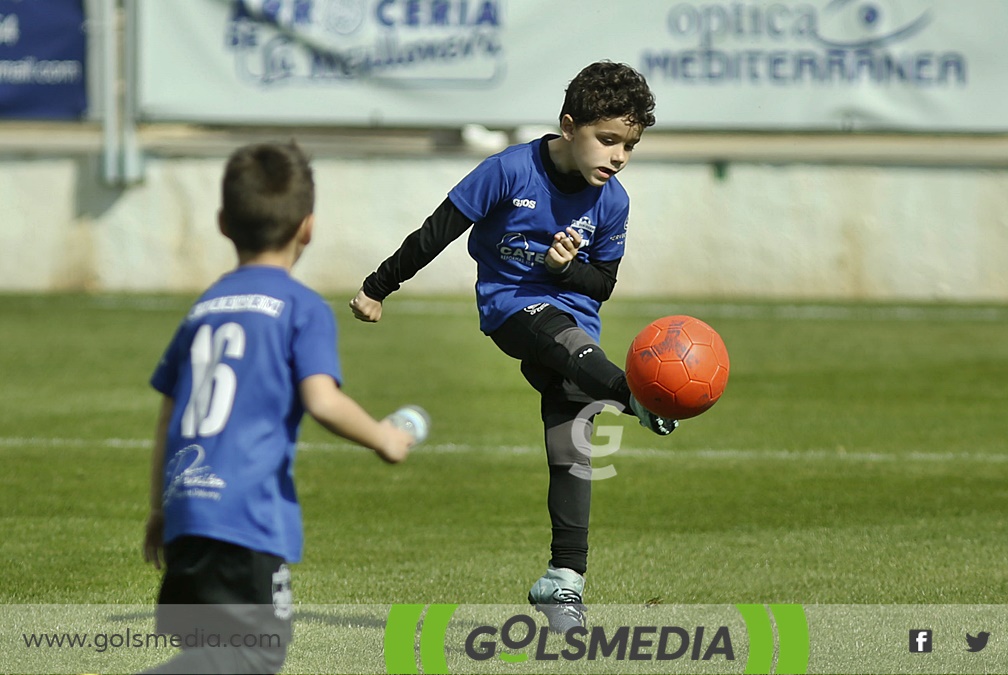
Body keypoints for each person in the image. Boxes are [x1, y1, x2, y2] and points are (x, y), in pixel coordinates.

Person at [348, 61, 676, 633]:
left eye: (630, 145)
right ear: (569, 126)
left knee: (573, 439)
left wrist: (567, 268)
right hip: (511, 306)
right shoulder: (507, 171)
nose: (618, 156)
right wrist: (378, 287)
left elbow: (603, 285)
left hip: (577, 324)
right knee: (565, 344)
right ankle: (638, 396)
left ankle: (563, 582)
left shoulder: (613, 202)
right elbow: (437, 230)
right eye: (607, 140)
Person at [142, 141, 419, 674]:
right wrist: (383, 437)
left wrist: (160, 509)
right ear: (308, 227)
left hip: (187, 513)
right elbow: (322, 400)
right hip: (244, 518)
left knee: (210, 656)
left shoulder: (204, 308)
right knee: (252, 655)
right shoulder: (301, 308)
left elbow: (167, 418)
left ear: (223, 223)